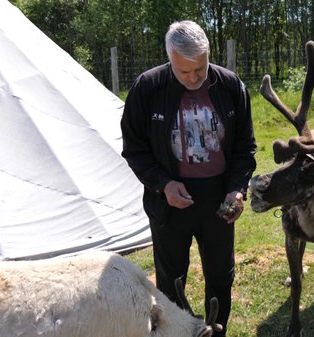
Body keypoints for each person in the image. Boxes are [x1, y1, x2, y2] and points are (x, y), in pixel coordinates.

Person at [120, 20, 257, 336]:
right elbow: (134, 149)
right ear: (170, 60)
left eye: (201, 68)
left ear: (209, 55)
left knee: (221, 276)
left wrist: (237, 190)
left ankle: (217, 332)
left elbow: (244, 147)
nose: (195, 78)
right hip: (169, 200)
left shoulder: (230, 86)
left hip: (219, 198)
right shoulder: (147, 89)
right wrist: (163, 184)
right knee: (171, 281)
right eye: (185, 72)